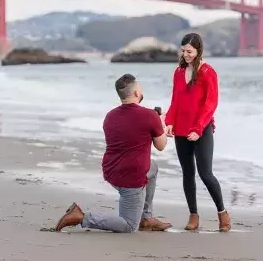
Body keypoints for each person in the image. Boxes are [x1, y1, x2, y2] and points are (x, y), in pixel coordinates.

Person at [55, 74, 172, 233]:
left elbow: (131, 134)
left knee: (153, 167)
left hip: (111, 170)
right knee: (129, 225)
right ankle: (81, 217)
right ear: (137, 93)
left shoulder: (110, 116)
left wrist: (155, 125)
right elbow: (161, 145)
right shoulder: (150, 116)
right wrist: (161, 125)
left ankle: (146, 217)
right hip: (131, 177)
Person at [163, 33, 231, 232]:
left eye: (190, 51)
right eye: (183, 51)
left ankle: (222, 213)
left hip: (201, 129)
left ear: (199, 50)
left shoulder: (208, 72)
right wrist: (169, 122)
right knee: (187, 173)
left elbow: (211, 104)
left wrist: (198, 128)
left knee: (205, 173)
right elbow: (175, 100)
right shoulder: (178, 72)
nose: (186, 55)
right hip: (182, 129)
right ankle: (193, 215)